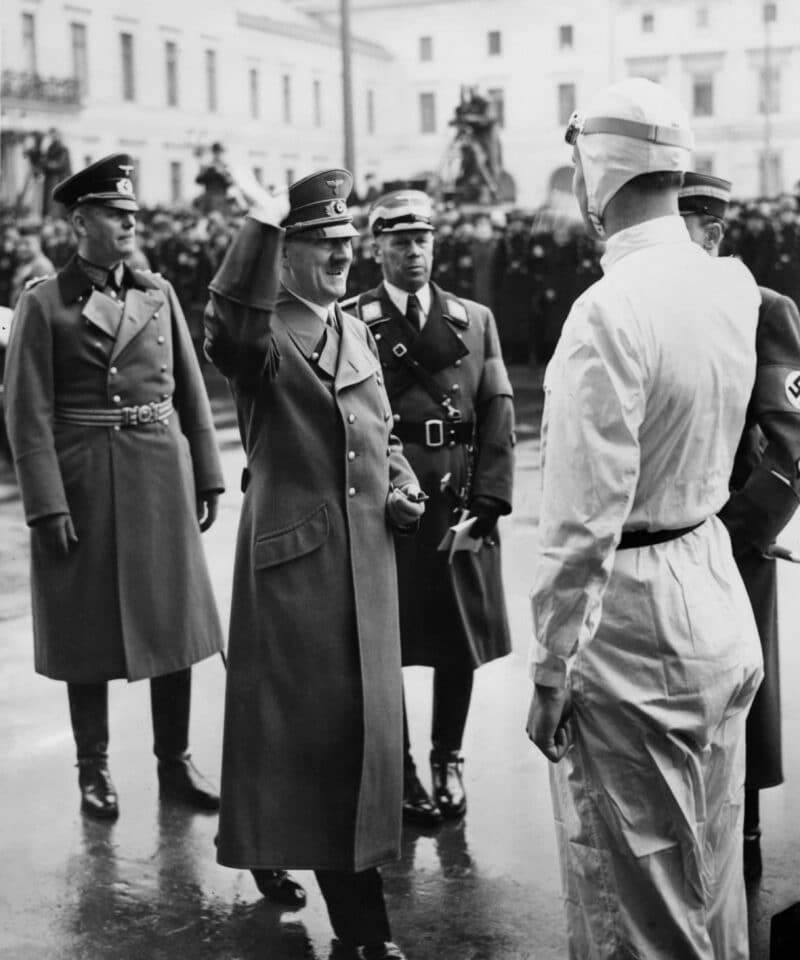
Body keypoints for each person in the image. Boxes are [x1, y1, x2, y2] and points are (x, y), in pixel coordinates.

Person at [526, 79, 763, 959]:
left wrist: (551, 665)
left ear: (599, 166)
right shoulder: (730, 283)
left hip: (633, 624)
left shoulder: (608, 310)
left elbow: (582, 521)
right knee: (713, 883)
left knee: (642, 906)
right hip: (711, 586)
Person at [204, 169, 424, 960]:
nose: (340, 256)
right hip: (297, 568)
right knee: (319, 744)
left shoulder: (354, 329)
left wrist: (401, 487)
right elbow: (229, 327)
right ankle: (366, 933)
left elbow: (382, 434)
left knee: (346, 741)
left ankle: (282, 847)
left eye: (344, 243)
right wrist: (258, 226)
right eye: (321, 244)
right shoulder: (265, 337)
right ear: (285, 256)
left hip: (365, 564)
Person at [3, 154, 225, 821]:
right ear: (79, 222)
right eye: (114, 213)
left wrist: (208, 473)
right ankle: (91, 768)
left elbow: (191, 388)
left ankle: (175, 762)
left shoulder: (157, 293)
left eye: (132, 213)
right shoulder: (44, 303)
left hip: (159, 470)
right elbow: (26, 413)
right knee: (85, 628)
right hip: (84, 478)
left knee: (174, 625)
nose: (130, 223)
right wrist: (45, 503)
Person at [355, 189, 514, 827]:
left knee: (455, 639)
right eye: (398, 241)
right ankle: (400, 769)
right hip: (385, 502)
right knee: (384, 638)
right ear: (377, 249)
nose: (412, 251)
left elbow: (499, 412)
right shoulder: (354, 319)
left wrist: (491, 499)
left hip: (453, 498)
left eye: (421, 239)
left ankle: (448, 757)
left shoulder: (473, 319)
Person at [679, 171, 800, 883]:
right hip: (663, 531)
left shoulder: (764, 309)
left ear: (715, 233)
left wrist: (737, 530)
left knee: (741, 686)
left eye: (688, 228)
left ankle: (745, 828)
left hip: (734, 528)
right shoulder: (647, 307)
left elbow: (789, 444)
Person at [9, 225, 55, 307]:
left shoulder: (42, 266)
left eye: (27, 244)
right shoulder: (25, 263)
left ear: (38, 244)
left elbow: (41, 302)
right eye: (19, 244)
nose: (21, 248)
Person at [195, 142, 233, 214]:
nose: (217, 154)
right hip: (208, 198)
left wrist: (222, 173)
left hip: (221, 198)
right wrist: (205, 171)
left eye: (219, 152)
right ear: (213, 153)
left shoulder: (225, 166)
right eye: (215, 152)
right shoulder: (208, 166)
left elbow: (230, 182)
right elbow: (198, 180)